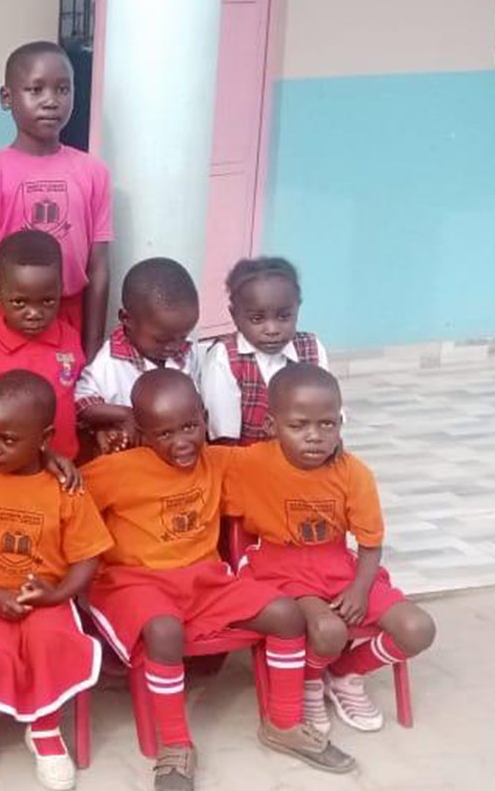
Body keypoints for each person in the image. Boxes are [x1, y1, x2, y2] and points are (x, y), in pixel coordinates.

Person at [81, 370, 354, 791]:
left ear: (204, 416)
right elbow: (65, 501)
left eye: (190, 426)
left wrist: (329, 448)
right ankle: (175, 745)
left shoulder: (220, 461)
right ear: (140, 432)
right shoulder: (112, 471)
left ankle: (283, 723)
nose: (182, 442)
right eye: (164, 433)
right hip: (134, 582)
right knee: (165, 631)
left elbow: (280, 453)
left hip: (205, 580)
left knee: (285, 614)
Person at [225, 364, 434, 735]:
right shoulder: (248, 463)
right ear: (272, 425)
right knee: (328, 629)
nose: (314, 437)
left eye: (327, 424)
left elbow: (370, 543)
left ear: (340, 423)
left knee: (417, 628)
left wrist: (359, 588)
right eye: (298, 425)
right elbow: (190, 466)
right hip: (279, 568)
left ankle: (345, 673)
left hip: (340, 566)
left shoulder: (354, 473)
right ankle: (308, 679)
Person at [0, 372, 111, 790]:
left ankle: (44, 726)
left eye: (8, 439)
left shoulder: (65, 488)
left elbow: (89, 557)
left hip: (44, 594)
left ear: (45, 437)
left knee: (50, 640)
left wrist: (56, 595)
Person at [0, 42, 113, 438]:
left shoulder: (93, 172)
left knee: (64, 430)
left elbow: (100, 269)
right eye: (36, 89)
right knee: (6, 429)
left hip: (68, 317)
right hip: (6, 320)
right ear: (7, 97)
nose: (51, 101)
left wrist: (91, 354)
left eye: (63, 89)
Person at [0, 229, 86, 459]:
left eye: (47, 301)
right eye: (20, 302)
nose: (34, 313)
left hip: (64, 465)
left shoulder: (70, 338)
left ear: (61, 291)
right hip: (5, 470)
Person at [74, 257, 202, 456]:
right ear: (127, 319)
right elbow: (81, 403)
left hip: (179, 452)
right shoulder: (110, 361)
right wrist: (125, 414)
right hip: (134, 459)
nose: (175, 346)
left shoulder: (188, 353)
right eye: (162, 340)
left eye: (183, 336)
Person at [200, 257, 329, 444]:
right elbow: (224, 439)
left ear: (297, 309)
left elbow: (329, 412)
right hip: (246, 462)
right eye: (257, 319)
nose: (272, 329)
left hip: (304, 461)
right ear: (234, 315)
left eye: (284, 316)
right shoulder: (225, 357)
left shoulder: (312, 348)